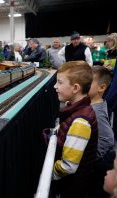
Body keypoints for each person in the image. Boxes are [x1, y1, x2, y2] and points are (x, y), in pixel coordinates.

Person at [50, 61, 98, 197]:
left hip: (72, 188)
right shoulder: (77, 109)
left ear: (75, 88)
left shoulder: (81, 121)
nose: (55, 86)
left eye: (59, 82)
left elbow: (68, 166)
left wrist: (48, 174)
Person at [88, 66, 115, 198]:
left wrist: (91, 159)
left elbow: (108, 139)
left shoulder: (96, 112)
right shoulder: (96, 105)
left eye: (88, 82)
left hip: (97, 168)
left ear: (101, 88)